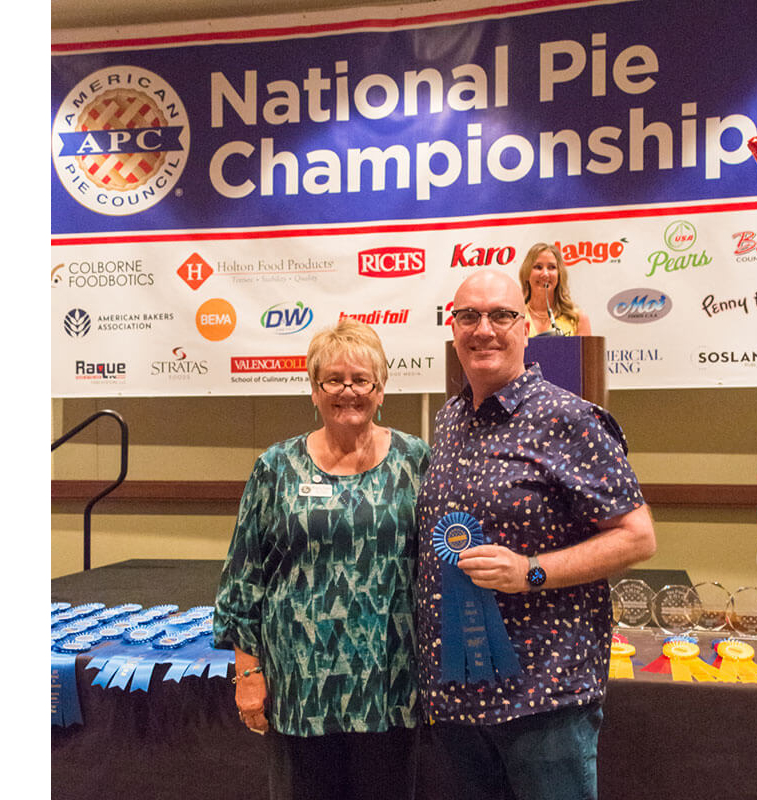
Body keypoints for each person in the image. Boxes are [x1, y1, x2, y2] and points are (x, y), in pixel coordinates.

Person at [416, 269, 656, 800]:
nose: (484, 330)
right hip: (458, 697)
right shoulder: (450, 420)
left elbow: (637, 536)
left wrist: (531, 572)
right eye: (468, 316)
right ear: (453, 328)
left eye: (501, 315)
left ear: (525, 328)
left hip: (543, 695)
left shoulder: (570, 419)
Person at [213, 318, 430, 800]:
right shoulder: (276, 466)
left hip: (391, 685)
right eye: (333, 379)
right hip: (300, 688)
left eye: (361, 380)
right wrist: (248, 674)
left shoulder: (417, 460)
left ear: (381, 388)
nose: (347, 391)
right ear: (314, 390)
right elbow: (244, 579)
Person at [518, 242, 592, 336]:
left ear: (559, 275)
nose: (545, 274)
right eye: (538, 267)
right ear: (526, 273)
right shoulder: (516, 317)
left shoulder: (578, 319)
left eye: (551, 267)